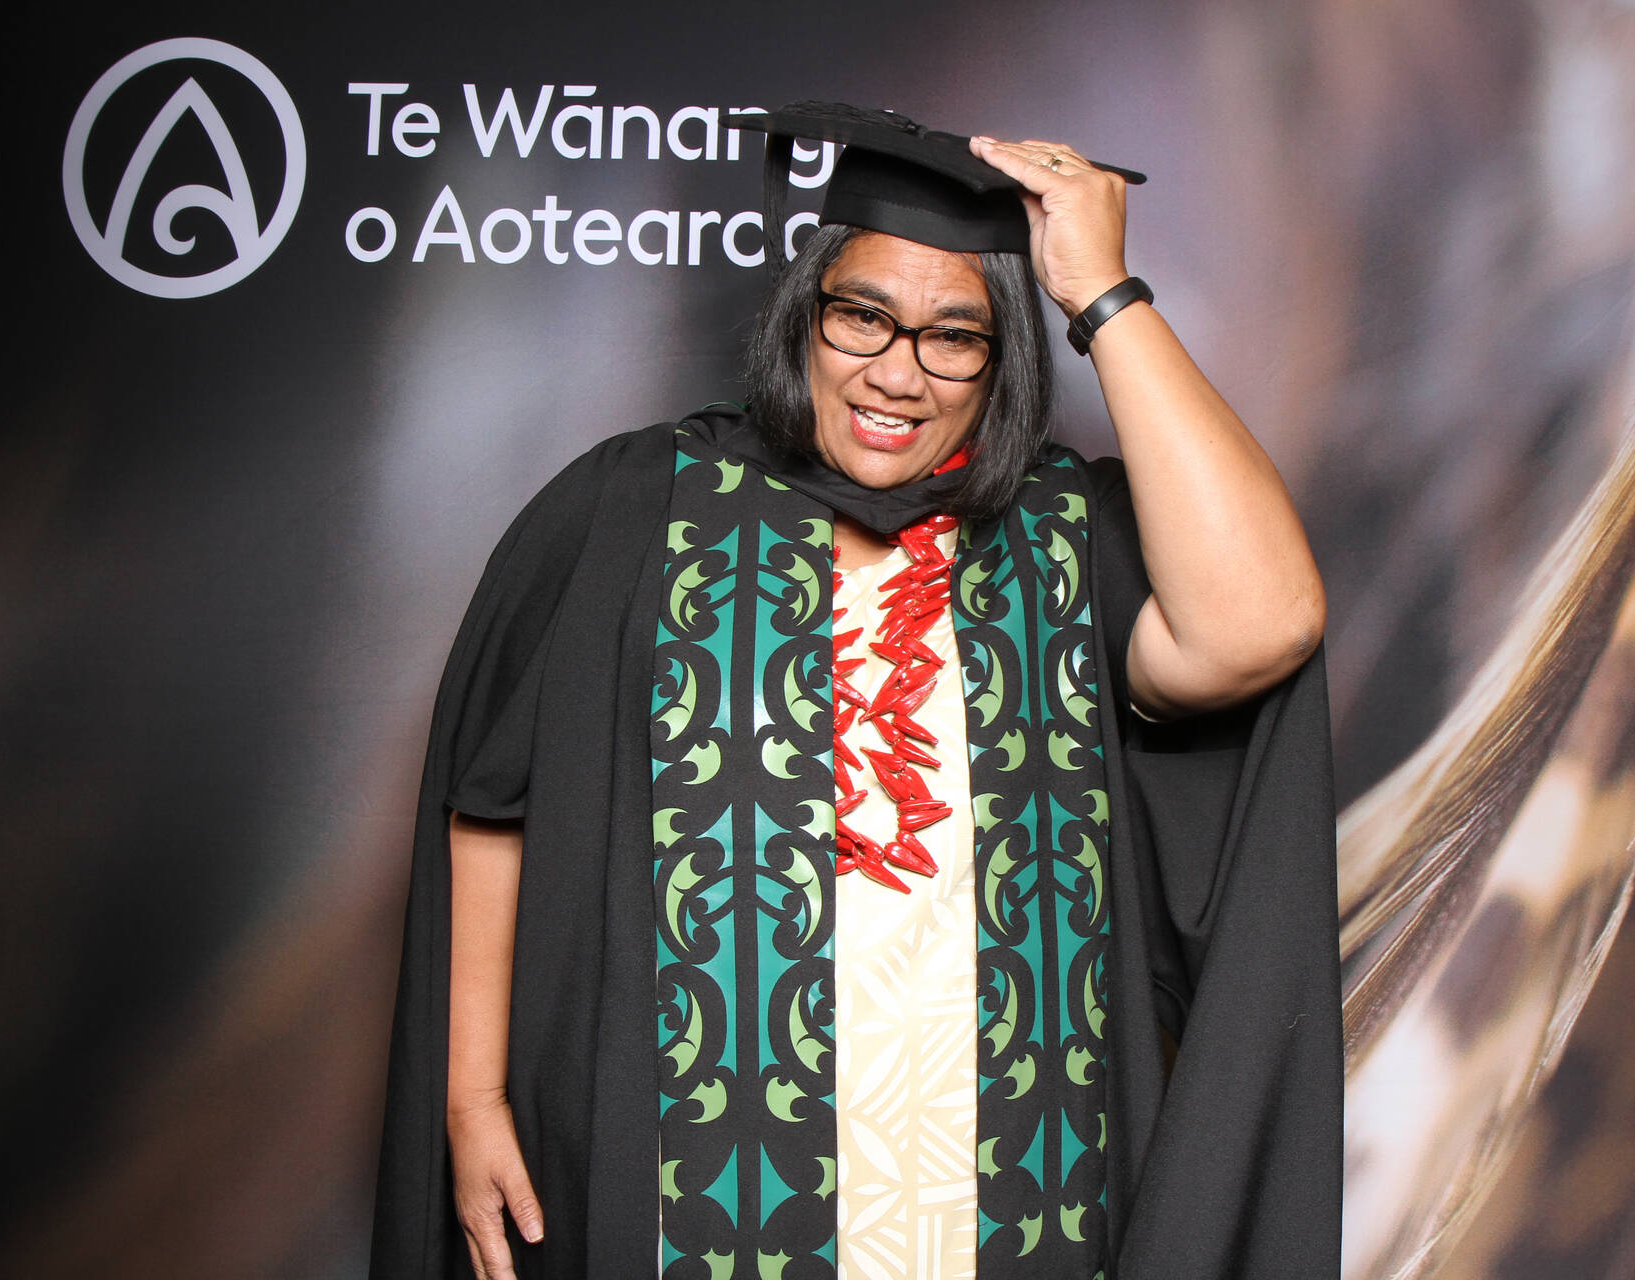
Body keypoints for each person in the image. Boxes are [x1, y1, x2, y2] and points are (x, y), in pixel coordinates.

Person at [372, 102, 1341, 1280]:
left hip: (995, 1194)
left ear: (1004, 361)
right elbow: (493, 801)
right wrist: (473, 1095)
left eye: (956, 336)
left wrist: (1101, 294)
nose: (897, 372)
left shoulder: (1062, 542)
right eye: (863, 316)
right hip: (695, 1190)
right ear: (806, 315)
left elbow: (1265, 620)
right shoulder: (639, 509)